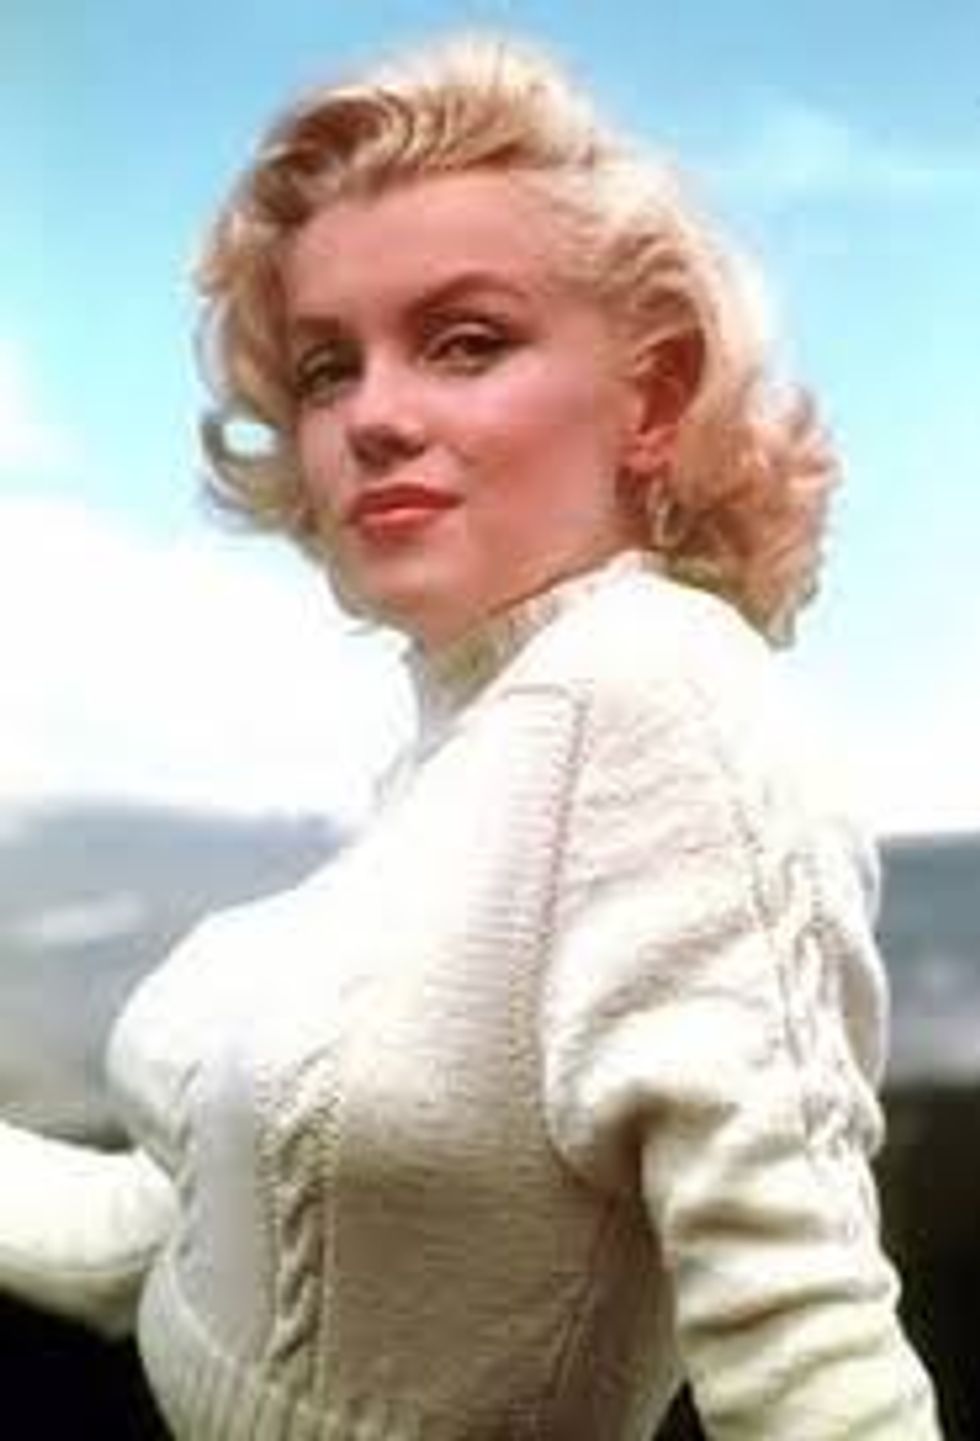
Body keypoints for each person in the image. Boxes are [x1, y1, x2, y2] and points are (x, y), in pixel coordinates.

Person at [0, 33, 943, 1439]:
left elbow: (809, 1352)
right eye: (328, 368)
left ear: (653, 396)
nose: (374, 416)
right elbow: (176, 1228)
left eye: (466, 342)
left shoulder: (662, 696)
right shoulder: (468, 749)